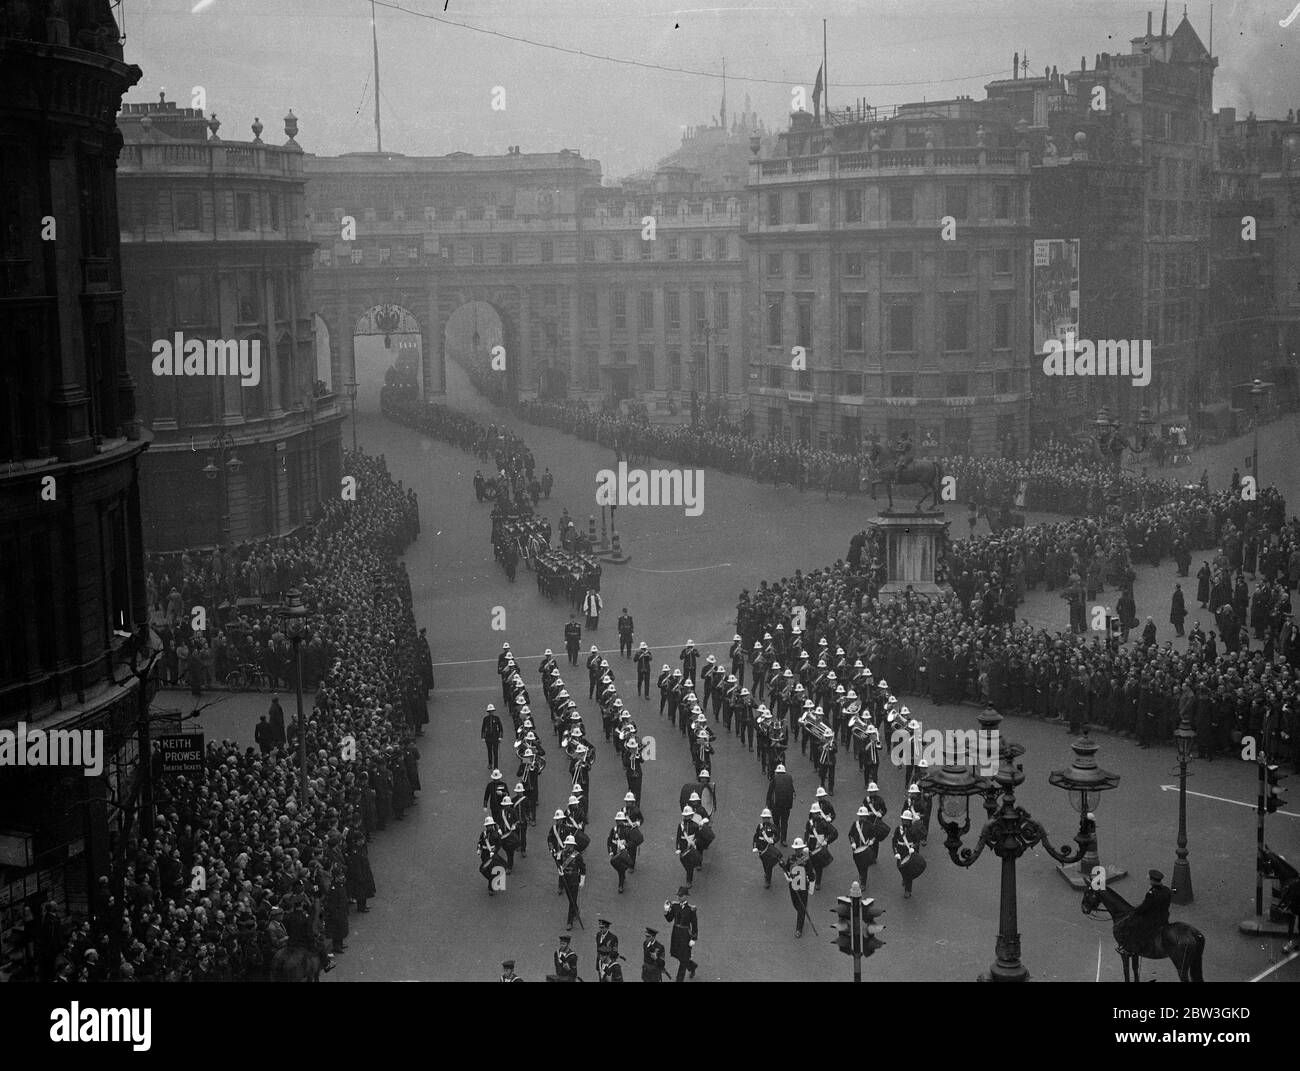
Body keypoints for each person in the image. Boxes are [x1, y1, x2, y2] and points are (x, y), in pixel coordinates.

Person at [1118, 869, 1172, 954]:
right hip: (1164, 917)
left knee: (1133, 925)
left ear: (1153, 881)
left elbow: (1144, 907)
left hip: (1153, 920)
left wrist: (1135, 911)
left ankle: (1131, 948)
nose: (1149, 881)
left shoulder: (1151, 893)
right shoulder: (1167, 890)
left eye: (1150, 879)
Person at [663, 887, 698, 981]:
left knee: (684, 958)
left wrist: (693, 938)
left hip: (685, 935)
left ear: (686, 896)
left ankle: (679, 979)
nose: (679, 897)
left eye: (681, 896)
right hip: (676, 934)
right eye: (678, 895)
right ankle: (692, 966)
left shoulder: (691, 909)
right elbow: (670, 919)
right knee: (678, 955)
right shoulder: (675, 906)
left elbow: (694, 925)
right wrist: (666, 911)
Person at [780, 838, 812, 937]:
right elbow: (787, 869)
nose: (797, 851)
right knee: (796, 904)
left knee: (801, 906)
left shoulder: (807, 860)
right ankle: (801, 914)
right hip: (793, 885)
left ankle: (799, 929)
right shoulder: (790, 858)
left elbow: (810, 873)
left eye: (799, 849)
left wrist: (810, 884)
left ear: (802, 849)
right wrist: (782, 866)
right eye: (796, 849)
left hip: (802, 885)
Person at [767, 763, 795, 845]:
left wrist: (768, 804)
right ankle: (783, 840)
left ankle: (777, 836)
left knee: (776, 822)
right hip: (786, 806)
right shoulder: (789, 778)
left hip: (776, 806)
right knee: (784, 822)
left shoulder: (774, 778)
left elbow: (770, 792)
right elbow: (792, 790)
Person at [753, 807, 781, 888]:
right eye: (764, 818)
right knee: (764, 863)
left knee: (769, 865)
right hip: (761, 850)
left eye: (767, 818)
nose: (765, 819)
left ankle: (768, 880)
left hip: (769, 848)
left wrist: (773, 841)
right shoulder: (760, 826)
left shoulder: (773, 827)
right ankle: (767, 873)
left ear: (769, 818)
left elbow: (778, 836)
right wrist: (755, 846)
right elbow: (756, 836)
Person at [481, 703, 503, 770]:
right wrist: (483, 737)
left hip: (495, 737)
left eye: (492, 711)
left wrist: (500, 736)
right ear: (488, 712)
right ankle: (490, 764)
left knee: (495, 752)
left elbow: (500, 727)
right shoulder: (485, 719)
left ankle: (496, 766)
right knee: (489, 751)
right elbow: (483, 728)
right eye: (490, 711)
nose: (491, 712)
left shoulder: (497, 718)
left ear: (493, 711)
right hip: (488, 737)